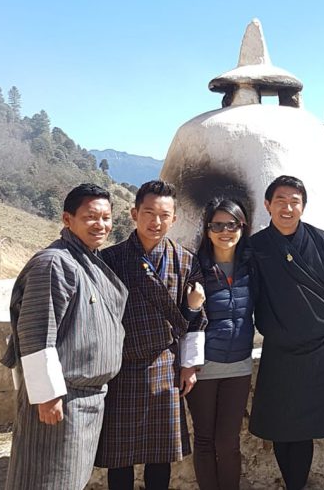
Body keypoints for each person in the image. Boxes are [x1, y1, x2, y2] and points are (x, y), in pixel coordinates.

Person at [1, 183, 128, 490]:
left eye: (106, 217)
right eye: (90, 216)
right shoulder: (55, 263)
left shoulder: (89, 261)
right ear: (67, 219)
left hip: (88, 399)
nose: (100, 224)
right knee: (45, 478)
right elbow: (35, 330)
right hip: (61, 399)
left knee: (69, 479)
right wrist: (47, 395)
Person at [248, 175, 324, 490]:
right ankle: (293, 484)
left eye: (294, 201)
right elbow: (246, 298)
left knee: (306, 426)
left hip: (321, 349)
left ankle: (296, 486)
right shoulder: (256, 248)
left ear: (303, 206)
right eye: (280, 200)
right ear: (268, 205)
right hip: (279, 350)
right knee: (282, 425)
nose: (287, 207)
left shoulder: (322, 241)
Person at [95, 180, 206, 490]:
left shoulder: (185, 261)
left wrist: (189, 366)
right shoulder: (110, 260)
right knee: (120, 458)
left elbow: (196, 321)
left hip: (164, 366)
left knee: (160, 457)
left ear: (174, 219)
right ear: (134, 213)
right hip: (121, 367)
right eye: (148, 212)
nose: (155, 222)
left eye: (164, 215)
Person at [185, 197, 256, 490]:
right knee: (204, 440)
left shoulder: (252, 266)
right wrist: (191, 307)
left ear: (242, 227)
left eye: (232, 224)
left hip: (239, 365)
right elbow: (181, 318)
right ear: (207, 229)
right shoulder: (194, 266)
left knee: (228, 442)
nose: (225, 231)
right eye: (217, 225)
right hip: (204, 368)